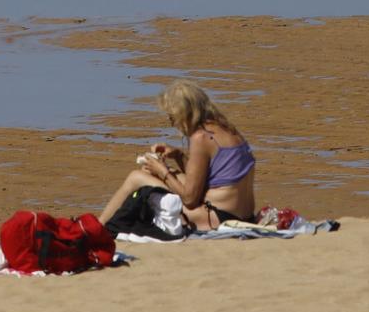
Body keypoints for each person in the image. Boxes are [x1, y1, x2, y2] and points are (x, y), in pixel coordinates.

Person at [99, 81, 256, 233]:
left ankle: (98, 228)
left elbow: (190, 199)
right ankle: (100, 226)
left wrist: (162, 171)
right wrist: (179, 155)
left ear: (184, 114)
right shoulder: (226, 129)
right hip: (244, 216)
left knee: (137, 177)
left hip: (216, 217)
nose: (172, 123)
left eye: (172, 117)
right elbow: (202, 180)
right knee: (151, 173)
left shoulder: (201, 137)